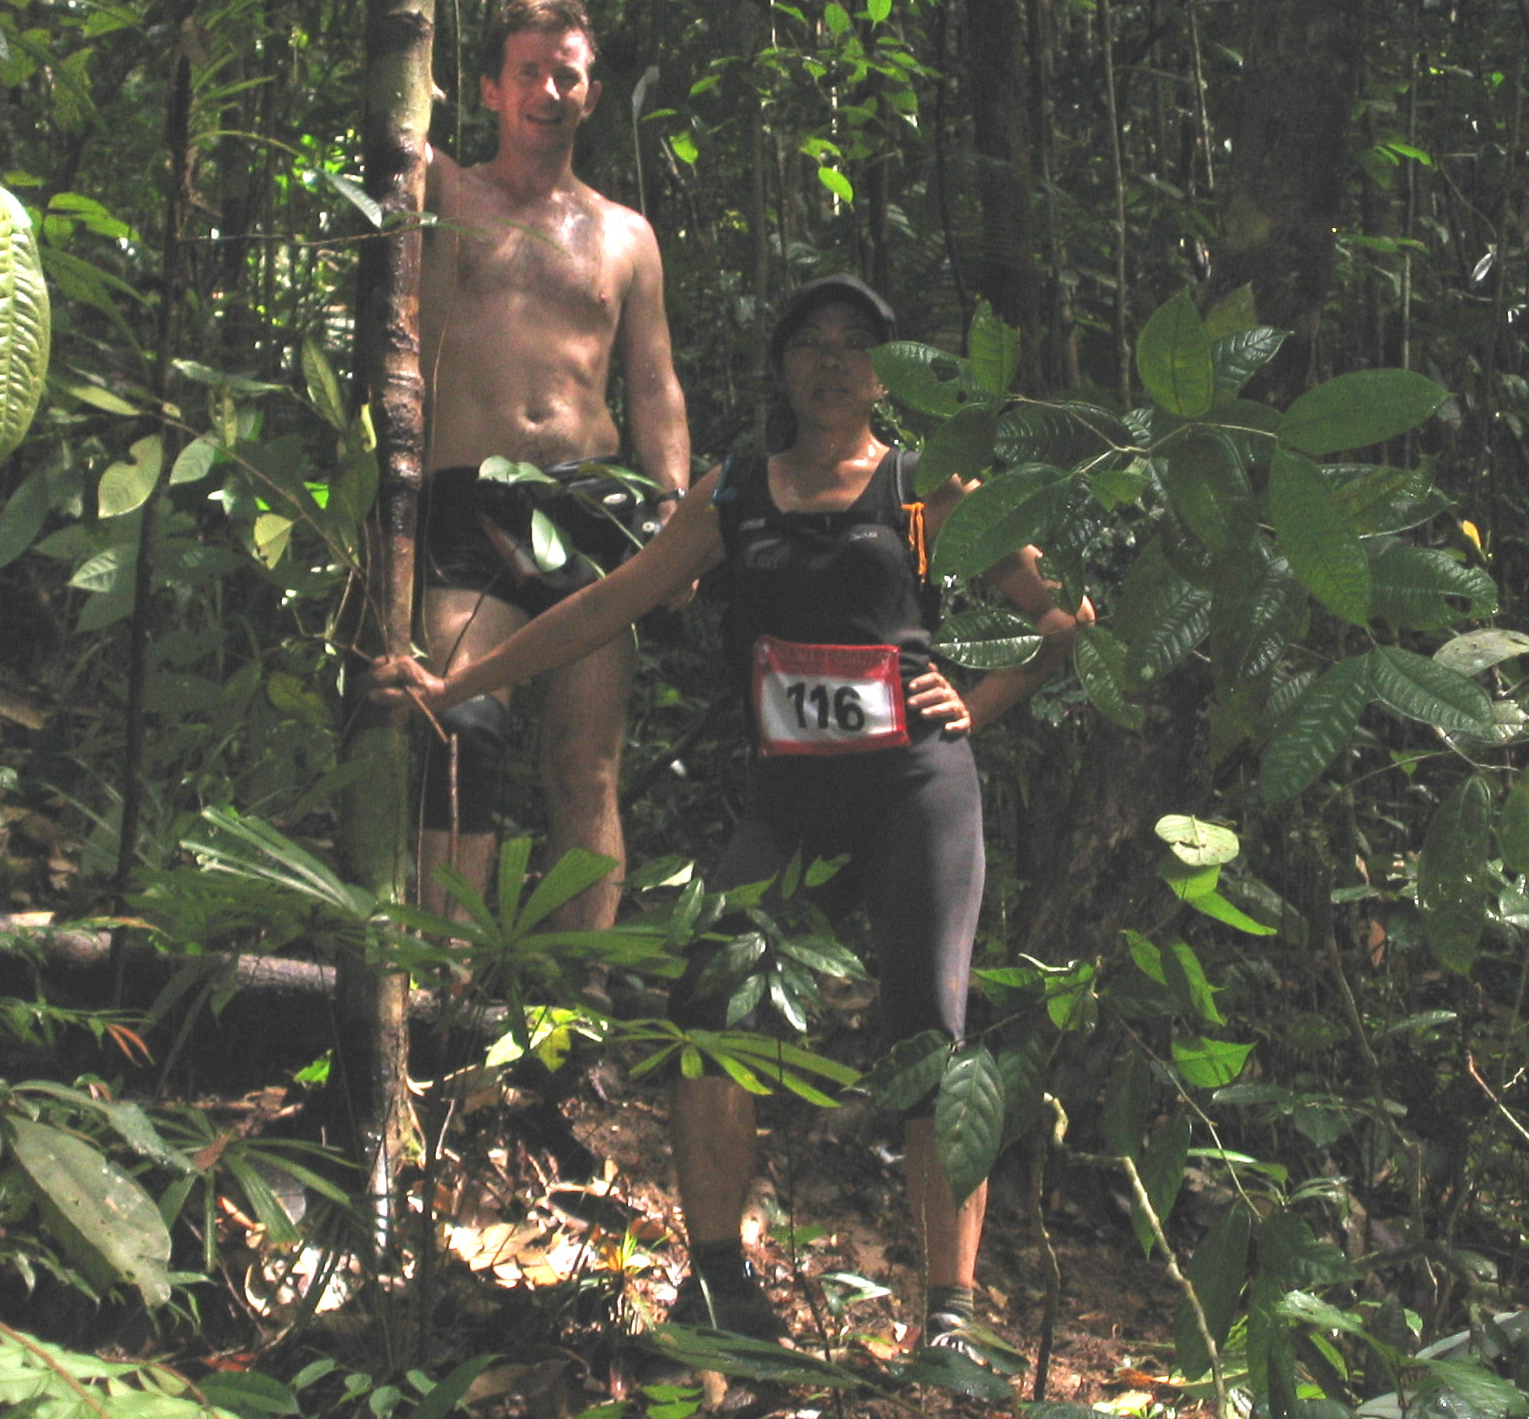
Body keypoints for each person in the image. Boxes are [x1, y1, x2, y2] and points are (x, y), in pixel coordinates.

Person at [375, 276, 1092, 1349]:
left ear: (884, 373)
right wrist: (452, 688)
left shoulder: (921, 486)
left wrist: (978, 703)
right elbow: (606, 602)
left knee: (928, 1032)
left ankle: (947, 1316)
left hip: (914, 792)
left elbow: (1062, 619)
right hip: (788, 804)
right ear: (781, 368)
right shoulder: (737, 493)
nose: (833, 361)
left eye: (856, 344)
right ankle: (719, 1286)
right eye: (811, 342)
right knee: (708, 1002)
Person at [415, 0, 690, 937]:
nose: (547, 88)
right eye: (527, 71)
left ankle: (583, 1008)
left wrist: (674, 517)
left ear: (591, 93)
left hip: (592, 506)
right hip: (470, 498)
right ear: (489, 89)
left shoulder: (626, 235)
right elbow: (395, 111)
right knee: (461, 728)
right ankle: (444, 983)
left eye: (565, 72)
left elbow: (653, 384)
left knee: (585, 766)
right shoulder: (443, 191)